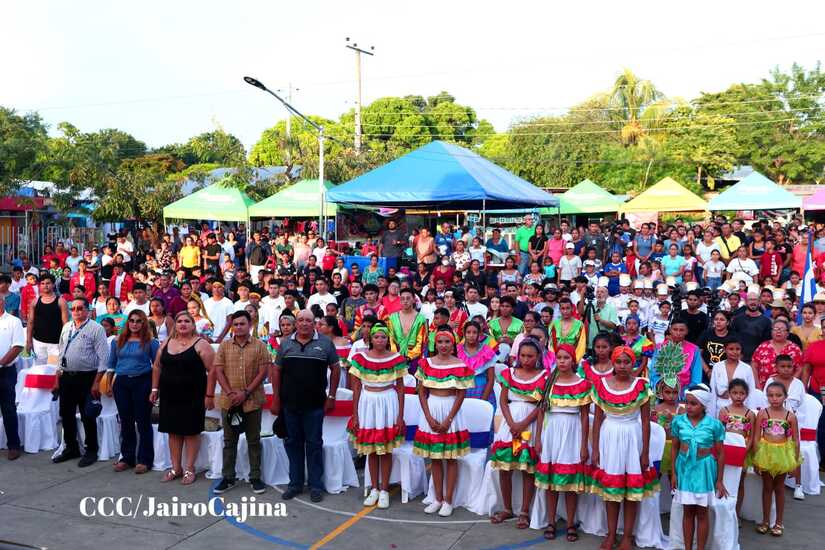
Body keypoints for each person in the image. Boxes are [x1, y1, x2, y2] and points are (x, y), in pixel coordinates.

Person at [590, 346, 657, 550]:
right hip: (609, 437)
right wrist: (595, 449)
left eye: (627, 362)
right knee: (612, 487)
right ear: (613, 362)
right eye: (618, 362)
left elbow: (645, 423)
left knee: (630, 489)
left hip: (632, 438)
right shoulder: (602, 385)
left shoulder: (641, 386)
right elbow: (597, 420)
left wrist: (645, 452)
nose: (622, 366)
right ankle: (611, 534)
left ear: (633, 363)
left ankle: (627, 536)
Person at [271, 310, 340, 502]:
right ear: (296, 323)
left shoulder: (325, 343)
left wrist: (332, 396)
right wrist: (276, 397)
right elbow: (276, 370)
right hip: (289, 404)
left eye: (308, 320)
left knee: (314, 445)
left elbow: (336, 369)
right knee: (292, 443)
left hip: (315, 405)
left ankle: (316, 486)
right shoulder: (285, 344)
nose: (304, 324)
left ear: (314, 323)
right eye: (300, 320)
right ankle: (295, 484)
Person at [414, 330, 474, 517]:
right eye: (440, 341)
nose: (443, 345)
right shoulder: (426, 363)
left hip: (451, 411)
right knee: (435, 458)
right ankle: (437, 498)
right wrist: (428, 417)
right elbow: (421, 392)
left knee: (451, 458)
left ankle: (448, 500)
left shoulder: (460, 365)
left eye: (447, 342)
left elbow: (461, 394)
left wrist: (448, 419)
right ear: (435, 344)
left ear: (453, 344)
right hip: (431, 409)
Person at [535, 344, 591, 542]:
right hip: (552, 433)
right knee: (551, 482)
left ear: (573, 360)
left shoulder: (582, 384)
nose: (562, 361)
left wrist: (583, 445)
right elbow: (541, 412)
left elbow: (585, 417)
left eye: (566, 358)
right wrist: (538, 438)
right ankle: (550, 521)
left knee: (570, 482)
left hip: (572, 433)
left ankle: (570, 523)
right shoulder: (548, 382)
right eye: (559, 357)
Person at [489, 338, 547, 529]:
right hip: (510, 424)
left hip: (529, 425)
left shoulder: (544, 376)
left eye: (530, 356)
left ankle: (524, 511)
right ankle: (507, 508)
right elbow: (503, 401)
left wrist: (523, 424)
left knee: (526, 467)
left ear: (538, 356)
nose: (526, 359)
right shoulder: (509, 373)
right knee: (505, 466)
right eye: (522, 355)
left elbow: (541, 405)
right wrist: (512, 423)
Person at [152, 311, 215, 485]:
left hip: (193, 396)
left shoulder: (201, 344)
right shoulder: (166, 342)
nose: (182, 324)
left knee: (191, 432)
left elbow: (213, 370)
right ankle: (175, 468)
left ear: (193, 325)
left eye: (187, 321)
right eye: (179, 321)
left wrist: (209, 395)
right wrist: (154, 388)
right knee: (172, 431)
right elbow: (157, 366)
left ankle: (190, 468)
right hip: (169, 395)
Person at [348, 324, 407, 509]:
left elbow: (401, 389)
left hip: (388, 402)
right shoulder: (360, 358)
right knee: (371, 449)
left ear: (388, 339)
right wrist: (355, 414)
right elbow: (356, 388)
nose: (380, 340)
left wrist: (400, 416)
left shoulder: (396, 358)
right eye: (376, 337)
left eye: (383, 337)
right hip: (368, 403)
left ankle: (384, 490)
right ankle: (374, 488)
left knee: (386, 449)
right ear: (371, 339)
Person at [212, 311, 271, 495]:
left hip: (252, 400)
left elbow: (263, 372)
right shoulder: (224, 346)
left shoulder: (260, 346)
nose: (238, 327)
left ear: (249, 325)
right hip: (229, 401)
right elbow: (218, 371)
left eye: (242, 324)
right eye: (235, 324)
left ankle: (255, 477)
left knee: (253, 440)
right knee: (229, 441)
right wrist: (231, 393)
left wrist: (245, 393)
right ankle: (228, 477)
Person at [52, 297, 109, 467]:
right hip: (66, 377)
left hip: (87, 377)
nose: (76, 311)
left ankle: (91, 450)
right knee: (66, 414)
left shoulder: (96, 329)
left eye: (80, 308)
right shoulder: (67, 326)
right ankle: (71, 448)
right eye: (73, 308)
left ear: (88, 310)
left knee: (87, 415)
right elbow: (61, 353)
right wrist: (57, 378)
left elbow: (104, 358)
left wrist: (96, 382)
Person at [669, 384, 727, 550]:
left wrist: (719, 480)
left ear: (703, 405)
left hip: (704, 470)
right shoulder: (679, 421)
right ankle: (688, 547)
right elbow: (674, 447)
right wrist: (674, 473)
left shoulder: (714, 424)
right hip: (685, 469)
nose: (688, 406)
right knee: (687, 511)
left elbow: (720, 453)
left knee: (702, 512)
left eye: (693, 404)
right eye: (687, 402)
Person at [107, 310, 159, 474]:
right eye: (132, 320)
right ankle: (127, 458)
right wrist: (109, 384)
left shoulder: (151, 342)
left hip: (142, 382)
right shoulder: (117, 341)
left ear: (144, 323)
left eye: (138, 321)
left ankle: (145, 459)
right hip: (121, 383)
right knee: (125, 421)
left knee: (143, 422)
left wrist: (155, 388)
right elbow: (111, 364)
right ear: (127, 322)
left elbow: (157, 366)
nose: (134, 324)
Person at [752, 382, 801, 537]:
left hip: (783, 455)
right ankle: (765, 521)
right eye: (771, 395)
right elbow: (756, 437)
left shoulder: (790, 416)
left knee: (779, 488)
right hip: (765, 454)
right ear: (766, 396)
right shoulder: (762, 414)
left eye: (778, 395)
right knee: (767, 487)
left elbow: (796, 440)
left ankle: (778, 522)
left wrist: (794, 463)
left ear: (785, 396)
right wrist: (756, 459)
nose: (774, 398)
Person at [718, 378, 756, 519]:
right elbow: (719, 432)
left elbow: (751, 436)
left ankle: (736, 513)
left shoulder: (750, 414)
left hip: (742, 451)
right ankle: (721, 510)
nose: (738, 396)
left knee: (739, 483)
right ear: (729, 393)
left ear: (746, 394)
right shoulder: (724, 411)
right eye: (735, 393)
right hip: (725, 450)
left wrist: (745, 451)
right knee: (722, 479)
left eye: (742, 393)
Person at [0, 294, 24, 460]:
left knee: (8, 409)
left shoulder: (13, 321)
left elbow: (17, 347)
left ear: (2, 302)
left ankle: (13, 445)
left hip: (5, 372)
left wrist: (1, 363)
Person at [26, 274, 69, 364]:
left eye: (48, 283)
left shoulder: (61, 301)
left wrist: (66, 342)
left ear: (53, 285)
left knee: (54, 369)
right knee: (40, 369)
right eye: (42, 283)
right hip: (38, 342)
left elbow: (66, 324)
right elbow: (30, 322)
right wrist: (29, 341)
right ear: (39, 285)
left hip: (56, 343)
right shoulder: (35, 302)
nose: (45, 285)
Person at [750, 319, 802, 389]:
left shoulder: (794, 348)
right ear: (771, 332)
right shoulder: (763, 347)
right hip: (764, 388)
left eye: (782, 329)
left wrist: (791, 385)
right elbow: (754, 366)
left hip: (788, 389)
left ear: (787, 333)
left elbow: (799, 369)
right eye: (775, 329)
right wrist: (758, 386)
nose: (778, 331)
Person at [458, 321, 497, 410]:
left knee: (482, 415)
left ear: (479, 334)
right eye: (468, 332)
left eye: (474, 332)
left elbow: (491, 380)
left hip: (483, 391)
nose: (471, 335)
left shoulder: (486, 351)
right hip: (463, 391)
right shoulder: (458, 350)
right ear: (464, 334)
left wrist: (483, 402)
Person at [387, 288, 427, 372]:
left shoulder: (421, 319)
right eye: (402, 299)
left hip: (415, 359)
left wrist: (409, 357)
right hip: (395, 357)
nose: (405, 301)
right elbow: (390, 338)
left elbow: (421, 342)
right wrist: (396, 355)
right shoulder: (392, 317)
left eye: (408, 298)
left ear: (414, 300)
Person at [730, 293, 772, 363]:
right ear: (746, 302)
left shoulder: (766, 321)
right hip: (738, 359)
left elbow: (767, 343)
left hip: (758, 360)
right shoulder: (737, 319)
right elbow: (732, 339)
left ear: (759, 302)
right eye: (750, 300)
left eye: (755, 300)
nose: (753, 302)